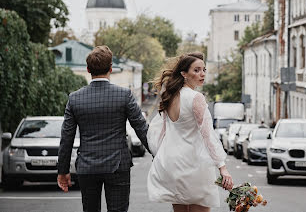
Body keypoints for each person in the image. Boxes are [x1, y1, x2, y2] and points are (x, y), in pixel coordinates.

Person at [57, 45, 150, 212]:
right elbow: (141, 128)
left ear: (87, 69)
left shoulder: (75, 98)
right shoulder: (124, 95)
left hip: (87, 166)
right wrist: (158, 154)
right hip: (117, 166)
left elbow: (67, 138)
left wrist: (62, 171)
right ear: (111, 68)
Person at [147, 52, 233, 212]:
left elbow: (160, 132)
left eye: (204, 70)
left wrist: (160, 157)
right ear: (184, 74)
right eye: (196, 70)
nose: (202, 74)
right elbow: (208, 135)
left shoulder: (169, 95)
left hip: (172, 163)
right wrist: (222, 167)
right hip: (194, 165)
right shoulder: (196, 98)